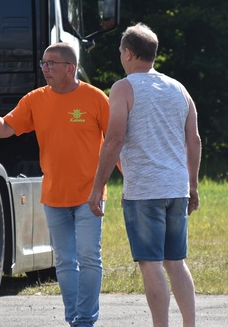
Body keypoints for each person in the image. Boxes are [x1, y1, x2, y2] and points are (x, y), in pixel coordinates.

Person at [0, 42, 109, 327]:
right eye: (43, 63)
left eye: (51, 64)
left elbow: (117, 143)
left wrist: (129, 183)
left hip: (89, 195)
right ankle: (75, 319)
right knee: (66, 262)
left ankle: (86, 320)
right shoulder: (35, 99)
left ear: (70, 68)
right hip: (54, 196)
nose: (45, 69)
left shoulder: (95, 98)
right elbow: (4, 129)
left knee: (89, 258)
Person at [88, 23, 201, 327]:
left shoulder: (124, 88)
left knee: (150, 262)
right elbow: (194, 140)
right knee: (175, 262)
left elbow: (113, 140)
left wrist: (98, 187)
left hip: (145, 190)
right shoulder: (179, 88)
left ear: (128, 53)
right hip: (176, 188)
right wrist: (193, 185)